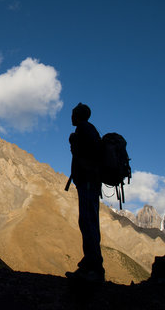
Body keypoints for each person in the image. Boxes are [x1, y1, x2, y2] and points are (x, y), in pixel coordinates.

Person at [65, 103, 105, 283]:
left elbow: (82, 154)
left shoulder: (83, 130)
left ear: (79, 115)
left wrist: (73, 141)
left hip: (88, 182)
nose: (71, 117)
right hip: (90, 182)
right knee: (88, 221)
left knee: (88, 221)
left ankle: (94, 269)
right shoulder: (90, 130)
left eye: (73, 114)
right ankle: (91, 265)